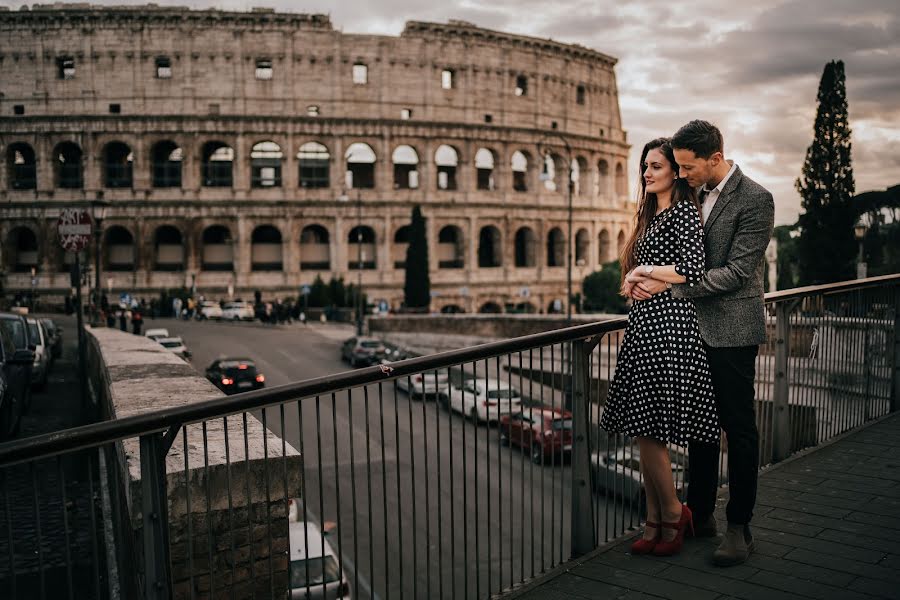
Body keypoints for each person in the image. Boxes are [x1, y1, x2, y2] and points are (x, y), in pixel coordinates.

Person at [629, 120, 774, 566]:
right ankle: (702, 513)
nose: (682, 171)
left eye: (688, 166)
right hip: (690, 327)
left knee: (738, 427)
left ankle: (739, 527)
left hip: (731, 329)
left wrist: (666, 286)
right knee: (701, 429)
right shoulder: (691, 197)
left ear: (715, 159)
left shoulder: (755, 199)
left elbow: (737, 273)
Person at [600, 137, 718, 557]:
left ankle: (673, 514)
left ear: (675, 172)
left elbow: (691, 268)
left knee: (649, 429)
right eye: (644, 167)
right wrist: (635, 280)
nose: (647, 173)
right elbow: (642, 274)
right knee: (641, 427)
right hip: (645, 326)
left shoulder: (685, 212)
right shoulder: (651, 216)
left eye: (655, 166)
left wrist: (647, 271)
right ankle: (653, 522)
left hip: (669, 328)